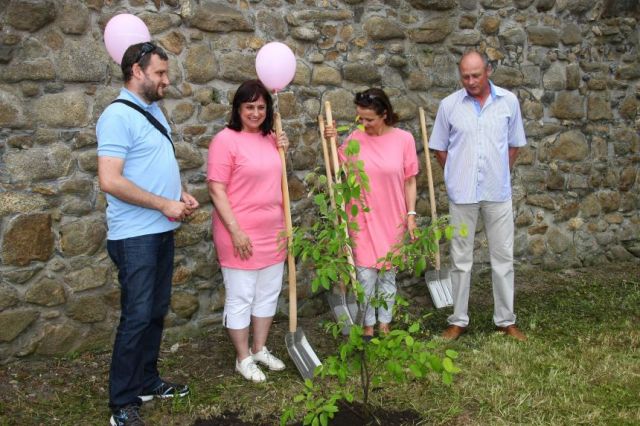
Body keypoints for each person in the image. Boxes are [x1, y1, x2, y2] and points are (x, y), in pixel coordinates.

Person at [97, 42, 199, 426]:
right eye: (159, 73)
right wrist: (162, 204)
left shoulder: (153, 110)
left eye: (166, 73)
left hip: (161, 229)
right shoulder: (116, 116)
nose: (166, 81)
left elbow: (154, 165)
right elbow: (110, 180)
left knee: (155, 312)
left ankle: (146, 381)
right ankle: (122, 403)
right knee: (137, 317)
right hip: (135, 236)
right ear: (136, 71)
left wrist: (178, 195)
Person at [429, 49, 527, 342]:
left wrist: (500, 171)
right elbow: (439, 148)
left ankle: (506, 320)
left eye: (476, 75)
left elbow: (514, 145)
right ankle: (458, 320)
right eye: (465, 76)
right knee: (460, 259)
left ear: (489, 71)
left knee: (503, 258)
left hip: (498, 192)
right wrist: (457, 174)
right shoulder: (449, 106)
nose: (470, 81)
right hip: (463, 195)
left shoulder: (508, 102)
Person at [207, 80, 290, 383]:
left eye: (260, 107)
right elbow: (216, 189)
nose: (255, 112)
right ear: (238, 109)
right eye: (249, 107)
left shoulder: (272, 138)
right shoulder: (225, 140)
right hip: (238, 232)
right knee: (241, 295)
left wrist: (284, 151)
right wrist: (236, 231)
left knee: (268, 293)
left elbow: (276, 181)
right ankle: (242, 357)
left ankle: (259, 348)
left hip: (273, 231)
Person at [325, 88, 419, 338]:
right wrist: (332, 142)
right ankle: (367, 325)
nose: (363, 124)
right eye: (360, 118)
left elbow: (410, 180)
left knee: (388, 274)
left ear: (384, 114)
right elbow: (338, 168)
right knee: (365, 276)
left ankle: (385, 323)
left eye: (369, 119)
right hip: (362, 217)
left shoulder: (404, 139)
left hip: (393, 216)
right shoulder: (355, 138)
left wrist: (411, 215)